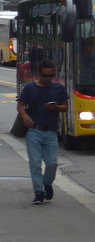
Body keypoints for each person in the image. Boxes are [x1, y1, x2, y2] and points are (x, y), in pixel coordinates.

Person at [18, 59, 68, 205]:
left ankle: (47, 183)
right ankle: (39, 192)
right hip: (34, 131)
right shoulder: (29, 88)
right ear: (39, 74)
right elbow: (20, 105)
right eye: (45, 76)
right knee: (35, 164)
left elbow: (65, 107)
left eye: (50, 76)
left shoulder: (58, 88)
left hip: (51, 132)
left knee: (52, 163)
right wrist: (25, 117)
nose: (47, 79)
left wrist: (55, 108)